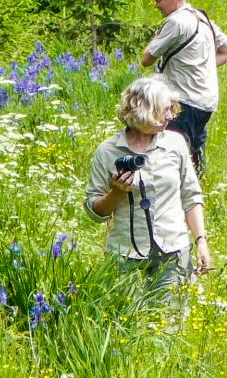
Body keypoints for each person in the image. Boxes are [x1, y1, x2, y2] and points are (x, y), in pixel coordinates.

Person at [82, 75, 212, 289]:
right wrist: (115, 194)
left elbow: (191, 196)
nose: (171, 116)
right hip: (124, 253)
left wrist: (201, 242)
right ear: (145, 111)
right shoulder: (107, 151)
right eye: (166, 110)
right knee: (125, 319)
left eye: (172, 109)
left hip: (173, 250)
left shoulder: (176, 144)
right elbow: (93, 212)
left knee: (170, 319)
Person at [140, 0, 227, 169]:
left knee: (173, 156)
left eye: (158, 0)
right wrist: (198, 66)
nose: (156, 5)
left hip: (183, 101)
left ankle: (179, 194)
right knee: (195, 155)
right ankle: (199, 191)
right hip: (206, 103)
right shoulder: (202, 18)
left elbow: (146, 59)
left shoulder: (176, 22)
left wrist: (158, 35)